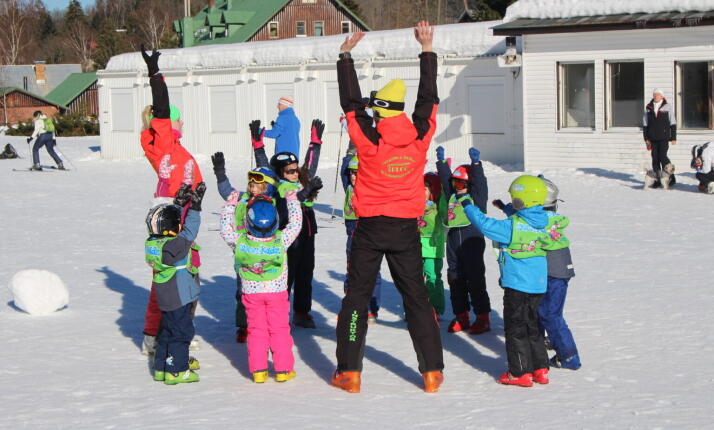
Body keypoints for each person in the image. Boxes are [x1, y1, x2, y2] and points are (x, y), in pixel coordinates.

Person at [332, 21, 444, 394]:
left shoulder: (367, 139)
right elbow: (428, 99)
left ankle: (349, 371)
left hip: (369, 228)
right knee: (416, 299)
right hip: (404, 230)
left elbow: (351, 104)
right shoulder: (420, 137)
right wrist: (426, 49)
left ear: (379, 111)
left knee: (357, 299)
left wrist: (346, 57)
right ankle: (432, 372)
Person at [139, 45, 204, 355]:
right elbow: (162, 108)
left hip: (187, 220)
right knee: (166, 281)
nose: (181, 124)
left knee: (188, 277)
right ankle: (155, 336)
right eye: (178, 120)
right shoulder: (163, 142)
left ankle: (180, 331)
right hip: (170, 222)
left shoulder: (178, 149)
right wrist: (155, 75)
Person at [461, 174, 551, 387]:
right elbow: (525, 218)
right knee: (533, 326)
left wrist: (467, 204)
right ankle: (540, 368)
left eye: (514, 198)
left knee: (516, 327)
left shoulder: (511, 228)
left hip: (517, 285)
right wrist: (504, 207)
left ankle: (520, 372)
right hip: (538, 284)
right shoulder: (544, 221)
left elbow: (485, 225)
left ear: (521, 199)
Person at [494, 176, 581, 371]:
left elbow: (523, 221)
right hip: (551, 272)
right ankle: (540, 347)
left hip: (555, 273)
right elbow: (523, 217)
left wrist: (508, 210)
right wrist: (506, 208)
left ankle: (569, 356)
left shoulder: (542, 220)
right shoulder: (543, 217)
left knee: (550, 314)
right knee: (538, 312)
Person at [220, 190, 303, 383]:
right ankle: (283, 369)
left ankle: (258, 370)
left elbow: (226, 229)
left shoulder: (240, 241)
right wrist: (292, 201)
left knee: (256, 330)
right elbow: (296, 224)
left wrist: (230, 206)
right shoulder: (281, 240)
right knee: (279, 329)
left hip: (252, 293)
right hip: (277, 293)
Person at [212, 150, 278, 343]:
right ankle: (244, 325)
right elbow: (226, 191)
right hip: (245, 252)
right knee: (243, 289)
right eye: (251, 184)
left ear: (268, 187)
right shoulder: (242, 199)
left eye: (258, 184)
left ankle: (267, 323)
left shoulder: (272, 204)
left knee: (266, 290)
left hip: (266, 253)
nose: (252, 187)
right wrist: (220, 173)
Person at [145, 182, 206, 385]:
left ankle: (161, 367)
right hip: (179, 295)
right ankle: (177, 370)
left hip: (165, 297)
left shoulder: (155, 244)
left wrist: (179, 205)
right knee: (181, 332)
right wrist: (195, 209)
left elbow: (175, 227)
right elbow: (189, 232)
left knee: (167, 330)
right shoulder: (174, 246)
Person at [267, 120, 324, 328]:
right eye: (289, 171)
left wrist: (315, 143)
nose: (294, 173)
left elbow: (310, 166)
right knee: (288, 274)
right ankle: (280, 312)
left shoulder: (300, 180)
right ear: (280, 173)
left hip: (307, 232)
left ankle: (302, 311)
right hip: (291, 237)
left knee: (306, 273)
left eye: (294, 170)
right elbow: (295, 198)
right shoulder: (281, 188)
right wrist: (307, 192)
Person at [435, 146, 491, 334]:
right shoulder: (452, 196)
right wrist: (442, 164)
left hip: (472, 241)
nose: (456, 188)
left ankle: (483, 317)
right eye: (454, 184)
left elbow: (480, 184)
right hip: (453, 242)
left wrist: (476, 165)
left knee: (475, 280)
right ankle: (462, 316)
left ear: (468, 185)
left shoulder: (477, 198)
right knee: (455, 278)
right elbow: (444, 181)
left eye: (460, 185)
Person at [341, 155, 382, 323]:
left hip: (369, 236)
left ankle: (372, 307)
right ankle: (352, 306)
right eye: (351, 173)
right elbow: (344, 171)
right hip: (352, 237)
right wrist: (353, 151)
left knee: (371, 271)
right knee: (351, 270)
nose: (352, 176)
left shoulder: (371, 189)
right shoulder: (349, 187)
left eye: (357, 173)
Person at [419, 172, 447, 318]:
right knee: (414, 279)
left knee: (433, 277)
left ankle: (436, 307)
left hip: (433, 247)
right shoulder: (416, 204)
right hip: (415, 247)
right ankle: (417, 307)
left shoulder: (438, 206)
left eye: (424, 189)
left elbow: (446, 212)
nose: (420, 192)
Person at [643, 88, 677, 188]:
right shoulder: (649, 107)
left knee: (663, 156)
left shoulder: (668, 106)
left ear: (662, 96)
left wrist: (673, 137)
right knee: (655, 158)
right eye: (654, 94)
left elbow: (673, 122)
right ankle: (657, 179)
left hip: (664, 137)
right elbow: (645, 123)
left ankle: (671, 178)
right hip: (652, 137)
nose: (656, 96)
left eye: (658, 95)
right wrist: (646, 138)